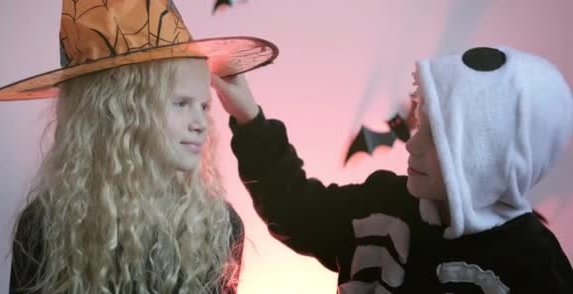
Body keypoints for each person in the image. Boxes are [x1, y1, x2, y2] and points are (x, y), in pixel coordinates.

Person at [0, 0, 278, 293]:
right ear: (119, 111)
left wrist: (250, 117)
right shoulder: (44, 227)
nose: (201, 124)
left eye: (204, 105)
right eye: (181, 103)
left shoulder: (218, 227)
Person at [211, 46, 573, 293]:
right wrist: (248, 116)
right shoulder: (383, 202)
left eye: (436, 138)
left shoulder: (538, 266)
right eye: (420, 127)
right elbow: (297, 211)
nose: (412, 145)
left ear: (487, 155)